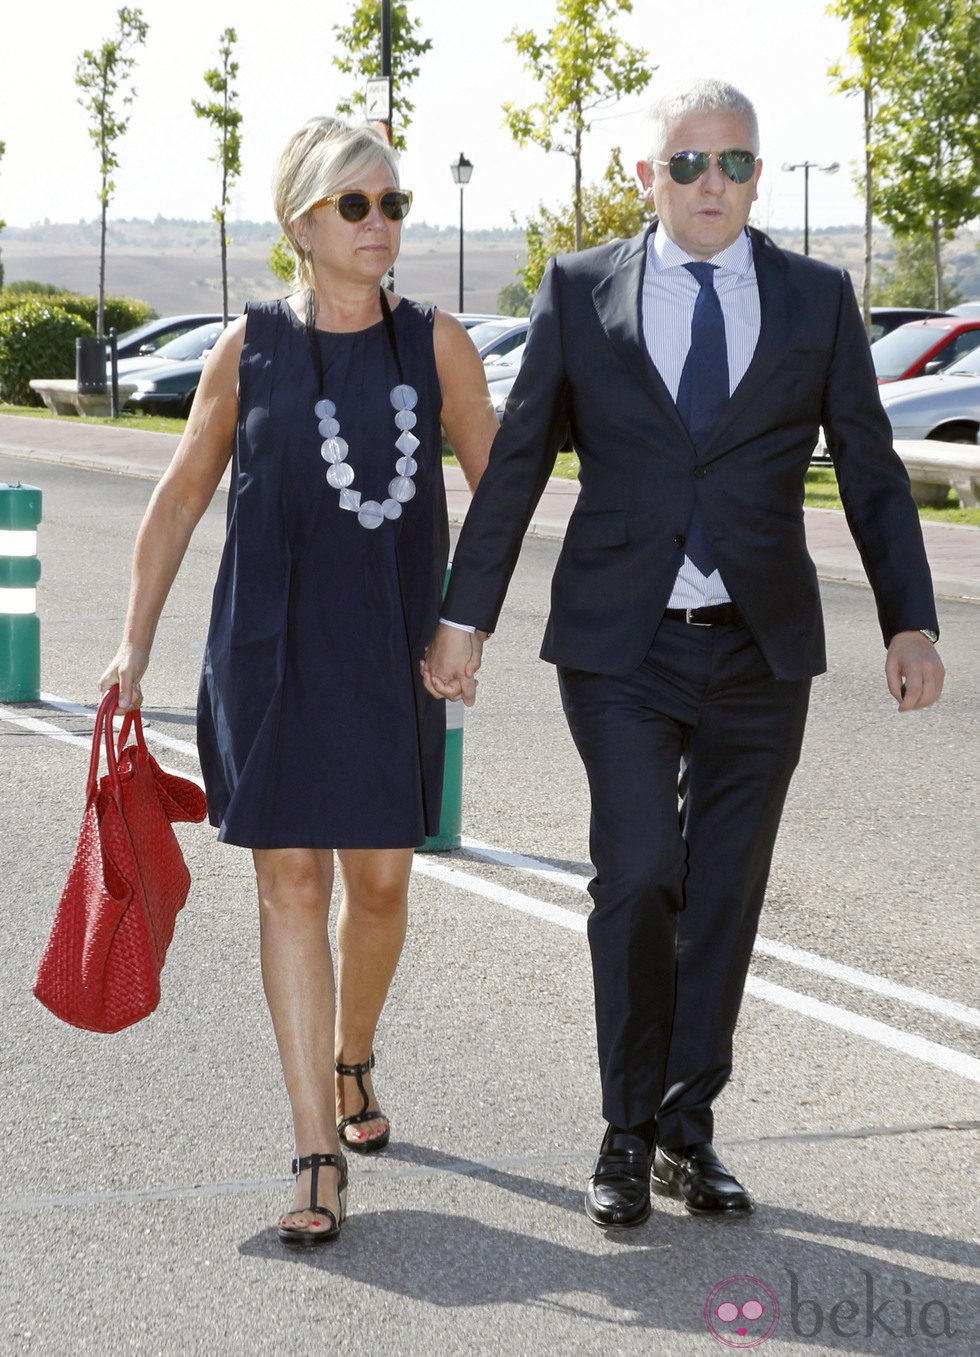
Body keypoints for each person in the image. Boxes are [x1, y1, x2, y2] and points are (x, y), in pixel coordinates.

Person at [422, 79, 944, 1229]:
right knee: (640, 868)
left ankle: (684, 1130)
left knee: (723, 889)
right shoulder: (579, 289)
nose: (715, 184)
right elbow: (515, 467)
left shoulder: (814, 299)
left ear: (757, 176)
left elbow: (866, 467)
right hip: (620, 643)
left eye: (737, 165)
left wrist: (910, 617)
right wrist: (466, 615)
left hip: (761, 646)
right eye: (690, 164)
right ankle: (621, 1129)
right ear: (646, 174)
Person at [100, 116, 496, 1246]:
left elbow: (500, 490)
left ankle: (352, 1054)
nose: (384, 225)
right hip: (268, 655)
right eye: (357, 206)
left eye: (394, 204)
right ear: (301, 225)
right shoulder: (250, 347)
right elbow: (178, 498)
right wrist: (133, 644)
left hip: (390, 652)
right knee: (288, 888)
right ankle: (316, 1152)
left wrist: (466, 622)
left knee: (377, 882)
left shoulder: (436, 344)